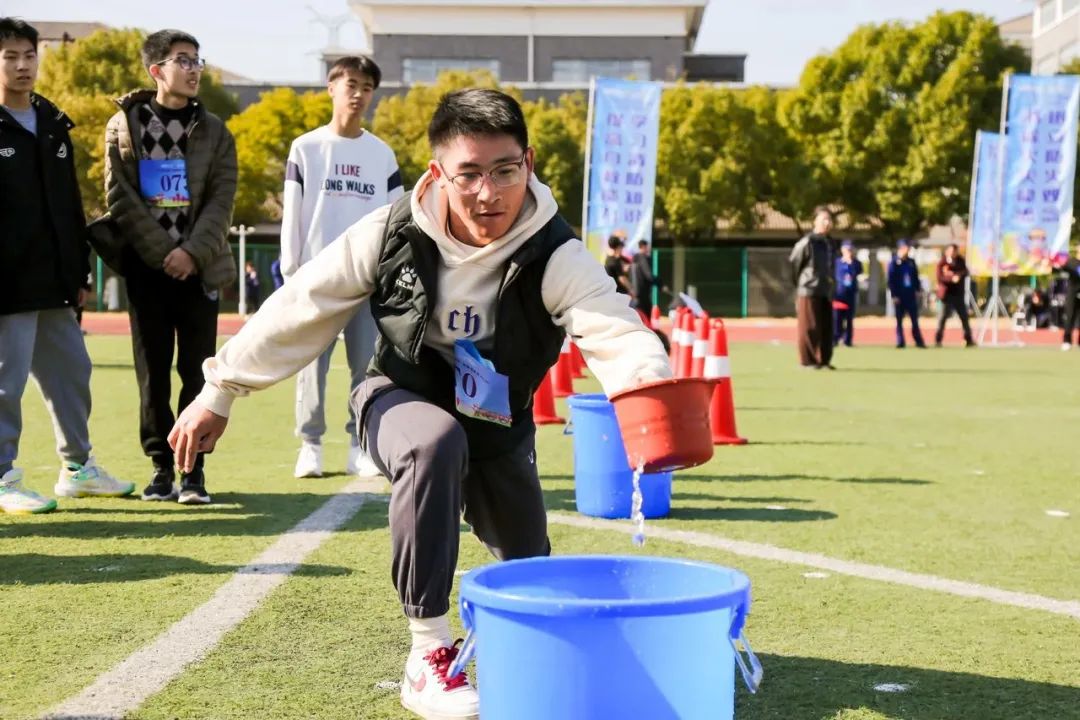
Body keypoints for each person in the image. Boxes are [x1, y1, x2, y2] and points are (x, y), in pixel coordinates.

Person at [168, 88, 671, 720]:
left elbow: (614, 326)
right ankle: (427, 652)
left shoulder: (556, 250)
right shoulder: (391, 228)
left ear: (530, 164)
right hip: (399, 395)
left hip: (496, 420)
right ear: (438, 172)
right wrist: (221, 389)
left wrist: (650, 392)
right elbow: (303, 305)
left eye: (505, 171)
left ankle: (529, 640)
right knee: (433, 443)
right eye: (469, 174)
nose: (489, 194)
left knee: (531, 575)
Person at [0, 18, 133, 514]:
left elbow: (69, 204)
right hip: (8, 282)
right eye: (10, 55)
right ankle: (2, 477)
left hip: (54, 277)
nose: (21, 65)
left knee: (73, 373)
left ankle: (77, 468)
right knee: (4, 385)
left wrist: (79, 273)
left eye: (29, 55)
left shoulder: (53, 122)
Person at [104, 29, 237, 505]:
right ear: (156, 70)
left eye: (199, 60)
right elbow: (119, 197)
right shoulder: (125, 125)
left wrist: (191, 254)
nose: (195, 69)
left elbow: (222, 200)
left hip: (200, 269)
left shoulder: (216, 130)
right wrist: (165, 253)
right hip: (147, 268)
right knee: (152, 371)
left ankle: (194, 472)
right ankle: (160, 467)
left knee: (197, 371)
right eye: (184, 60)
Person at [281, 55, 404, 479]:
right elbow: (292, 212)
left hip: (365, 279)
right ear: (331, 87)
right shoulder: (306, 147)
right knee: (310, 366)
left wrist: (388, 276)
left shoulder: (381, 154)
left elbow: (394, 220)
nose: (358, 93)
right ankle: (310, 445)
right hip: (315, 277)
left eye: (367, 86)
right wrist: (291, 269)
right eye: (350, 83)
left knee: (366, 367)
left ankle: (360, 445)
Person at [789, 206, 836, 369]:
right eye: (824, 219)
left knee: (826, 326)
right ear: (814, 221)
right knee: (809, 326)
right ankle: (807, 360)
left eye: (829, 219)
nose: (827, 222)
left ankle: (823, 359)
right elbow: (794, 263)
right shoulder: (807, 241)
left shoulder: (830, 243)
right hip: (809, 289)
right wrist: (801, 284)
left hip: (825, 289)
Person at [934, 243, 974, 347]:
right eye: (951, 251)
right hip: (946, 295)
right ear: (947, 251)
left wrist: (958, 275)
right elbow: (940, 277)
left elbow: (966, 272)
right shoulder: (942, 263)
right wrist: (951, 278)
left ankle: (968, 339)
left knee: (964, 317)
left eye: (955, 251)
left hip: (958, 294)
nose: (953, 253)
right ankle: (938, 340)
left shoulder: (960, 261)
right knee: (942, 317)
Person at [888, 239, 926, 349]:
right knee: (899, 320)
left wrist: (918, 289)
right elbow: (891, 280)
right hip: (899, 296)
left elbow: (915, 277)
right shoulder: (894, 263)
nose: (907, 250)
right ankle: (900, 341)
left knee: (914, 320)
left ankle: (918, 340)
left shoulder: (911, 262)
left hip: (910, 295)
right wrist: (894, 295)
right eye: (905, 248)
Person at [832, 240, 862, 347]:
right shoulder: (837, 262)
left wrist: (850, 263)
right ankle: (835, 338)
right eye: (846, 249)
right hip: (839, 295)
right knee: (837, 318)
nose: (848, 252)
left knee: (849, 319)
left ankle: (847, 340)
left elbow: (857, 272)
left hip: (851, 294)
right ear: (842, 250)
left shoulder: (856, 263)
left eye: (850, 249)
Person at [630, 239, 667, 318]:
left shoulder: (634, 259)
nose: (649, 249)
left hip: (636, 293)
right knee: (646, 317)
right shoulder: (643, 258)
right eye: (648, 247)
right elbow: (649, 275)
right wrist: (661, 284)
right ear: (644, 247)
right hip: (643, 295)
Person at [1059, 245, 1080, 350]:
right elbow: (1065, 268)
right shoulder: (1071, 262)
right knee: (1069, 316)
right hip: (1072, 292)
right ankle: (1067, 341)